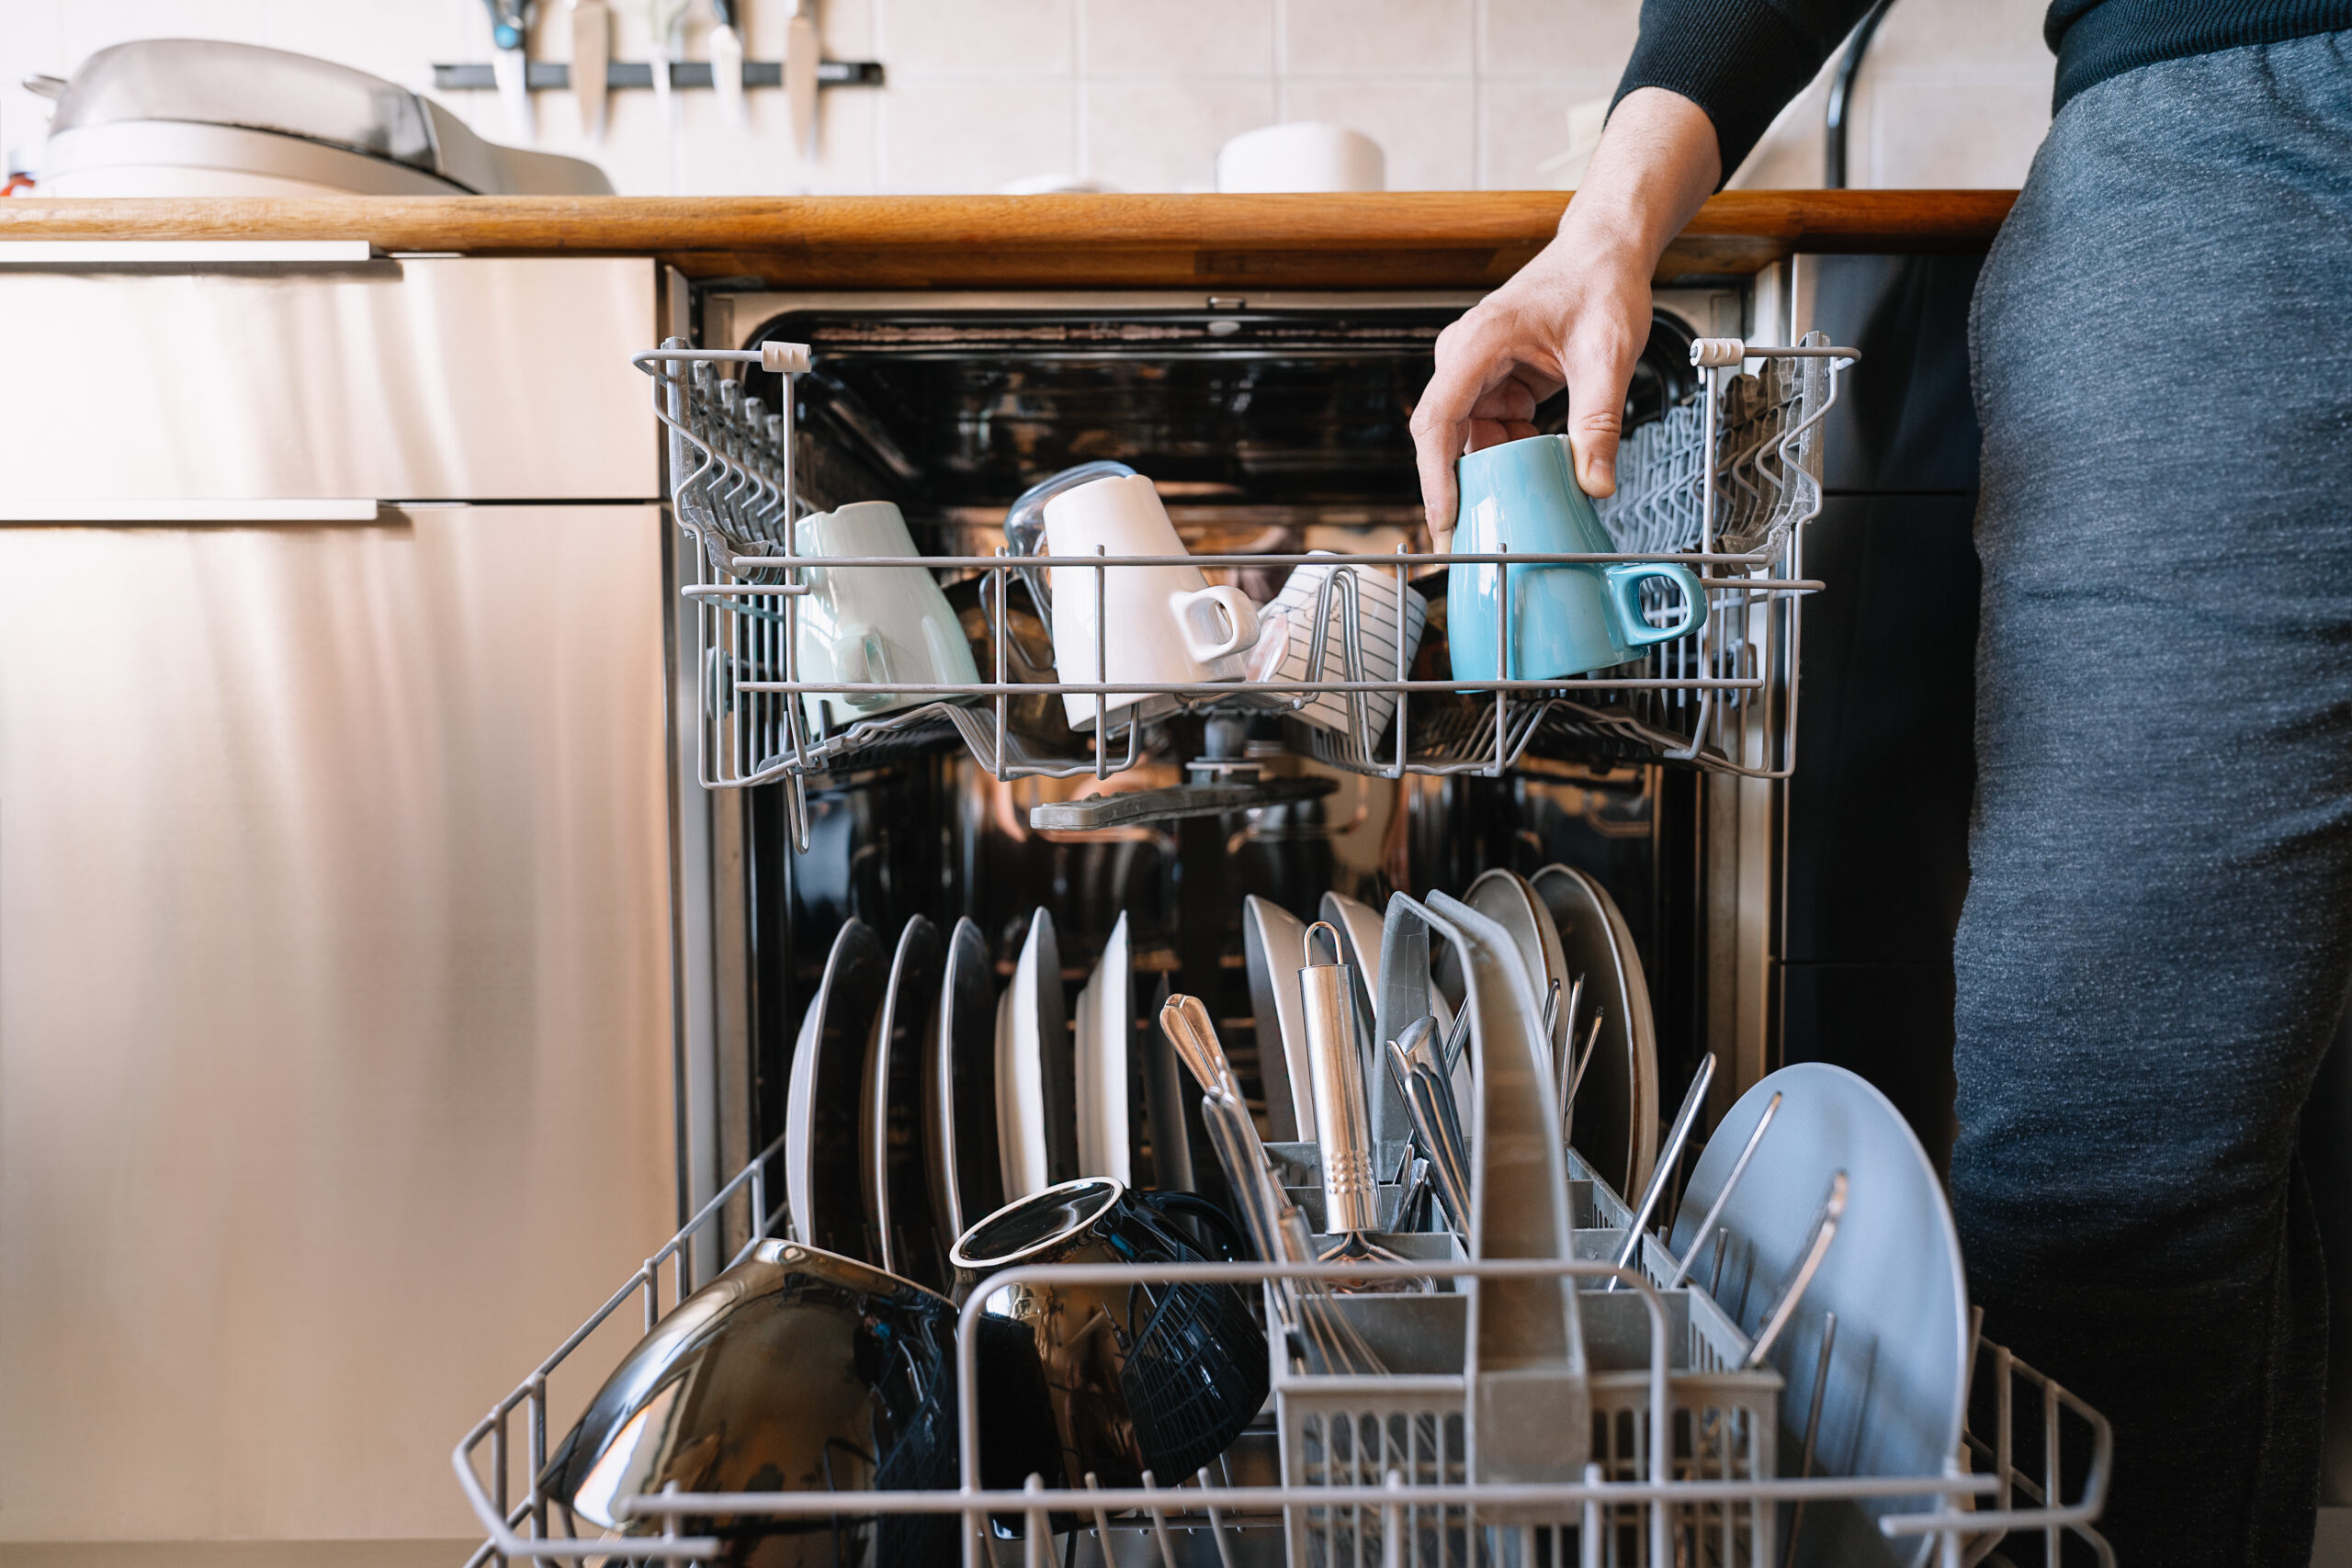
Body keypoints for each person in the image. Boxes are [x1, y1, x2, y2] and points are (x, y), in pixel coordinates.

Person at [1411, 6, 2352, 1563]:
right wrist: (1611, 219)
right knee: (2126, 1162)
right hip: (2239, 160)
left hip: (2223, 192)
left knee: (2128, 1172)